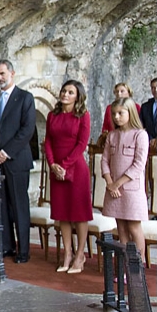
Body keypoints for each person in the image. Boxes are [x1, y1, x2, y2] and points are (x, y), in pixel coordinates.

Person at [0, 59, 36, 263]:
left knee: (19, 206)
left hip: (17, 161)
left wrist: (6, 152)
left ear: (12, 73)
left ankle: (23, 251)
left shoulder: (25, 98)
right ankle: (5, 246)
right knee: (0, 205)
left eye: (2, 74)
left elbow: (27, 129)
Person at [44, 80, 93, 274]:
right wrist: (52, 164)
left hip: (76, 168)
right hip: (57, 169)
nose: (65, 94)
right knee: (62, 213)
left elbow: (82, 144)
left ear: (77, 96)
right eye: (64, 90)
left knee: (79, 214)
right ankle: (67, 253)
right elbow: (47, 140)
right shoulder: (52, 115)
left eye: (70, 92)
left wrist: (63, 165)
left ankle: (80, 255)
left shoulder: (83, 115)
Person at [102, 97, 149, 264]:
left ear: (131, 113)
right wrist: (109, 183)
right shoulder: (112, 136)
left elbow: (138, 164)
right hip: (113, 190)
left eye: (120, 113)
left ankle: (137, 265)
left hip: (131, 190)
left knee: (134, 228)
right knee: (121, 229)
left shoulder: (140, 135)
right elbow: (105, 161)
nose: (116, 117)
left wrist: (117, 183)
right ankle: (123, 267)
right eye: (113, 114)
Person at [139, 77, 156, 144]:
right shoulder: (145, 106)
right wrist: (150, 139)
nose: (156, 90)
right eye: (153, 88)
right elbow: (140, 126)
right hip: (149, 143)